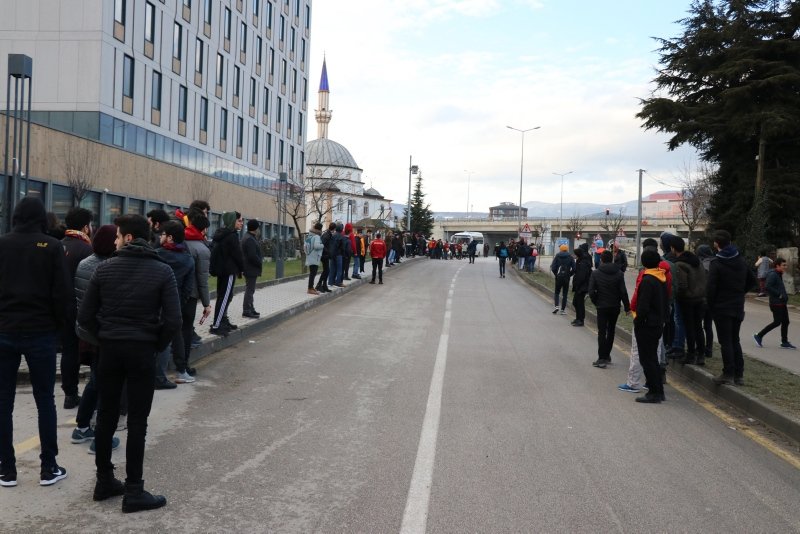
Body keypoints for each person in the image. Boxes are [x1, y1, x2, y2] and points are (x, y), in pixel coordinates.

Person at [78, 214, 181, 512]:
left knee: (106, 415)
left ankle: (104, 480)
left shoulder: (104, 269)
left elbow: (85, 317)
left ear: (129, 238)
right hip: (141, 351)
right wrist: (155, 344)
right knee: (137, 420)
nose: (113, 240)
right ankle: (134, 489)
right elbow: (173, 320)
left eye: (117, 235)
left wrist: (105, 338)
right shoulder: (163, 271)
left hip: (109, 351)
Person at [0, 197, 71, 488]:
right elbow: (62, 295)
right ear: (42, 217)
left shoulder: (1, 244)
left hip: (4, 331)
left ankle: (7, 469)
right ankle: (48, 466)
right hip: (41, 332)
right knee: (45, 400)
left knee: (3, 402)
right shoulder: (52, 247)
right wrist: (61, 331)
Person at [71, 225, 123, 453]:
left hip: (86, 332)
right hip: (105, 334)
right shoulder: (110, 268)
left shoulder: (84, 264)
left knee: (95, 381)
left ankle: (81, 426)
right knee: (106, 385)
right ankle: (100, 437)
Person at [706, 230, 756, 386]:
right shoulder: (740, 260)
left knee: (725, 341)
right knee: (735, 339)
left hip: (721, 307)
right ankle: (739, 374)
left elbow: (711, 288)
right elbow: (752, 280)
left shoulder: (717, 263)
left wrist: (711, 305)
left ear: (716, 244)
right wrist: (740, 292)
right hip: (737, 305)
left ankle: (728, 373)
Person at [61, 207, 94, 409]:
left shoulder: (57, 245)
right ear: (85, 227)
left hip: (60, 308)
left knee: (68, 351)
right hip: (80, 307)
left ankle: (70, 393)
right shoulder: (86, 250)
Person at [155, 221, 195, 387]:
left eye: (163, 234)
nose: (160, 237)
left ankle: (158, 375)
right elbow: (188, 288)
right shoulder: (188, 259)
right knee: (175, 335)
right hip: (175, 303)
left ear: (170, 238)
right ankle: (181, 371)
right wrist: (179, 302)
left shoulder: (157, 254)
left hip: (154, 302)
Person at [632, 249, 669, 403]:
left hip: (647, 325)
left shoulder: (647, 280)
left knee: (647, 359)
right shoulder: (661, 278)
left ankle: (654, 393)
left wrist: (637, 321)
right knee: (652, 358)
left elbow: (643, 306)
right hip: (657, 323)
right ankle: (658, 390)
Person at [588, 250, 631, 368]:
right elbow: (623, 292)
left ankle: (601, 358)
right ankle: (607, 355)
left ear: (601, 259)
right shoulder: (619, 273)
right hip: (615, 306)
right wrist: (627, 307)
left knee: (602, 331)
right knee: (611, 330)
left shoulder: (596, 273)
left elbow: (591, 291)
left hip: (602, 306)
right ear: (611, 259)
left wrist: (596, 301)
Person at [671, 237, 707, 365]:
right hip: (701, 299)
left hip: (687, 300)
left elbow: (682, 285)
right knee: (698, 327)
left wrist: (677, 296)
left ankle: (691, 354)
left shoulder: (679, 264)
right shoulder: (697, 261)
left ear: (673, 248)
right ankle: (701, 354)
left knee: (689, 327)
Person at [183, 211, 212, 368]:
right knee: (186, 330)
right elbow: (202, 280)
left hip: (172, 292)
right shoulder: (202, 250)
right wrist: (207, 304)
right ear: (204, 230)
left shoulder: (181, 241)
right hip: (191, 295)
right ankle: (184, 365)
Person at [209, 212, 244, 336]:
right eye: (239, 220)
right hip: (228, 271)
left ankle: (223, 320)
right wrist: (242, 269)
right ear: (232, 221)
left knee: (224, 297)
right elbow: (238, 255)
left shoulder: (221, 233)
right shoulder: (232, 236)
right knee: (224, 298)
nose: (242, 223)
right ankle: (217, 325)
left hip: (221, 271)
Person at [754, 258, 796, 350]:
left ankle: (784, 342)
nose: (786, 267)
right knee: (777, 322)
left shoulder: (778, 274)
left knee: (785, 321)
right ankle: (759, 336)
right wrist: (779, 295)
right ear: (777, 266)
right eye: (783, 265)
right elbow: (768, 286)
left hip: (781, 303)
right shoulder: (773, 274)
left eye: (786, 265)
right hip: (776, 303)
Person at [696, 244, 716, 360]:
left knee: (698, 325)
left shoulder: (700, 264)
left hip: (701, 299)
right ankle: (709, 349)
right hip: (712, 300)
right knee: (708, 326)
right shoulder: (715, 263)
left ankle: (700, 350)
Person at [241, 219, 263, 319]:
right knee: (250, 290)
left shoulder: (249, 237)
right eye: (258, 227)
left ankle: (251, 308)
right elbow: (252, 256)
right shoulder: (249, 239)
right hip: (250, 268)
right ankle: (246, 310)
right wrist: (259, 262)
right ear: (255, 228)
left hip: (250, 268)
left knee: (251, 290)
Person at [551, 244, 575, 315]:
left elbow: (553, 267)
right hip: (566, 277)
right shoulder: (570, 257)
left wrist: (556, 274)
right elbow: (574, 268)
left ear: (560, 249)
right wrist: (569, 274)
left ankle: (556, 306)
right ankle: (562, 310)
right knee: (565, 294)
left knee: (557, 292)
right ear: (567, 249)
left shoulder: (557, 256)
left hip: (559, 277)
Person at [571, 248, 592, 326]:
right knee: (575, 302)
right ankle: (578, 318)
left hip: (582, 287)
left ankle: (581, 320)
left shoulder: (583, 263)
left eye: (575, 254)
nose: (575, 256)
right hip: (579, 286)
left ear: (578, 255)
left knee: (579, 303)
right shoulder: (580, 261)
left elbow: (582, 276)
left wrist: (577, 284)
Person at [305, 222, 324, 295]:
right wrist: (322, 245)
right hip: (314, 257)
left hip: (310, 256)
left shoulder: (310, 235)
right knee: (313, 273)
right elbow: (316, 246)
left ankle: (311, 287)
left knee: (312, 273)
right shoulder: (317, 236)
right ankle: (310, 288)